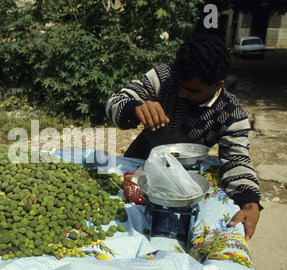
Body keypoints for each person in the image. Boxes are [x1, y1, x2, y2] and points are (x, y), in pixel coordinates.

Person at [105, 34, 261, 240]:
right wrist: (135, 108)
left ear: (217, 85)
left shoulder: (231, 114)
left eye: (192, 89)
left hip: (182, 178)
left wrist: (251, 204)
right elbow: (114, 102)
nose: (181, 94)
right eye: (179, 85)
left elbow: (236, 160)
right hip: (142, 158)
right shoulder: (163, 77)